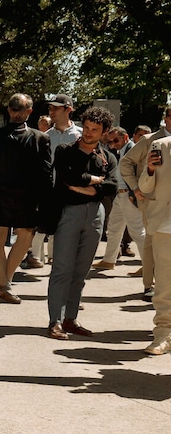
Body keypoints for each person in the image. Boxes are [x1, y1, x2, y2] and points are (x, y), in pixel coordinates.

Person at [0, 93, 53, 304]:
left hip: (4, 195)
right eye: (16, 109)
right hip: (18, 197)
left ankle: (3, 282)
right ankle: (5, 284)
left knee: (4, 239)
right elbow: (46, 174)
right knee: (17, 238)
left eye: (17, 109)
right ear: (29, 112)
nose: (16, 113)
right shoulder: (38, 138)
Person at [43, 107, 118, 339]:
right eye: (86, 128)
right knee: (62, 269)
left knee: (81, 272)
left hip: (96, 215)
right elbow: (66, 177)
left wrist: (83, 187)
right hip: (69, 213)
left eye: (95, 130)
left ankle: (70, 318)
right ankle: (55, 321)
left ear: (104, 132)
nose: (88, 133)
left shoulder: (108, 156)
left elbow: (112, 186)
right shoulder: (66, 150)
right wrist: (94, 182)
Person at [25, 94, 82, 269]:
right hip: (50, 192)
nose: (52, 111)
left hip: (75, 193)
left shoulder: (81, 136)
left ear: (68, 110)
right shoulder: (46, 137)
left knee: (68, 232)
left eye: (56, 108)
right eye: (50, 108)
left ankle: (60, 264)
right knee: (46, 226)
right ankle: (36, 257)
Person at [121, 109, 171, 302]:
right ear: (166, 119)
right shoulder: (150, 140)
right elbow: (126, 163)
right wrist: (135, 188)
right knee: (150, 243)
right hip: (152, 200)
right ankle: (149, 285)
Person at [137, 134, 171, 354]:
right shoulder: (162, 146)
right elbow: (145, 186)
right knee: (164, 286)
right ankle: (163, 336)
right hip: (165, 225)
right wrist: (149, 170)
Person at [96, 126, 145, 271]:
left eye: (115, 140)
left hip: (129, 194)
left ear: (125, 137)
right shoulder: (121, 150)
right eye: (110, 141)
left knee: (137, 231)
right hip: (121, 194)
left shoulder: (133, 150)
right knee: (114, 227)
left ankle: (149, 265)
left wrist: (134, 192)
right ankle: (109, 260)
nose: (113, 144)